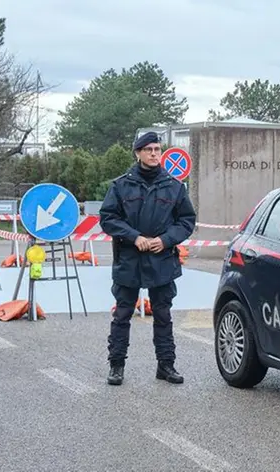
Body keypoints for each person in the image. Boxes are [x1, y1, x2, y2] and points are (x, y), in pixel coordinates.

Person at [99, 131, 196, 386]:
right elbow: (108, 218)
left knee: (163, 315)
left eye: (157, 149)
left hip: (162, 259)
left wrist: (165, 240)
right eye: (149, 149)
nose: (154, 154)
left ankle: (166, 365)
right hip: (129, 259)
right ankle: (116, 366)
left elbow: (186, 221)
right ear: (138, 153)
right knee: (122, 315)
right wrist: (134, 237)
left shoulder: (174, 186)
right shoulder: (121, 185)